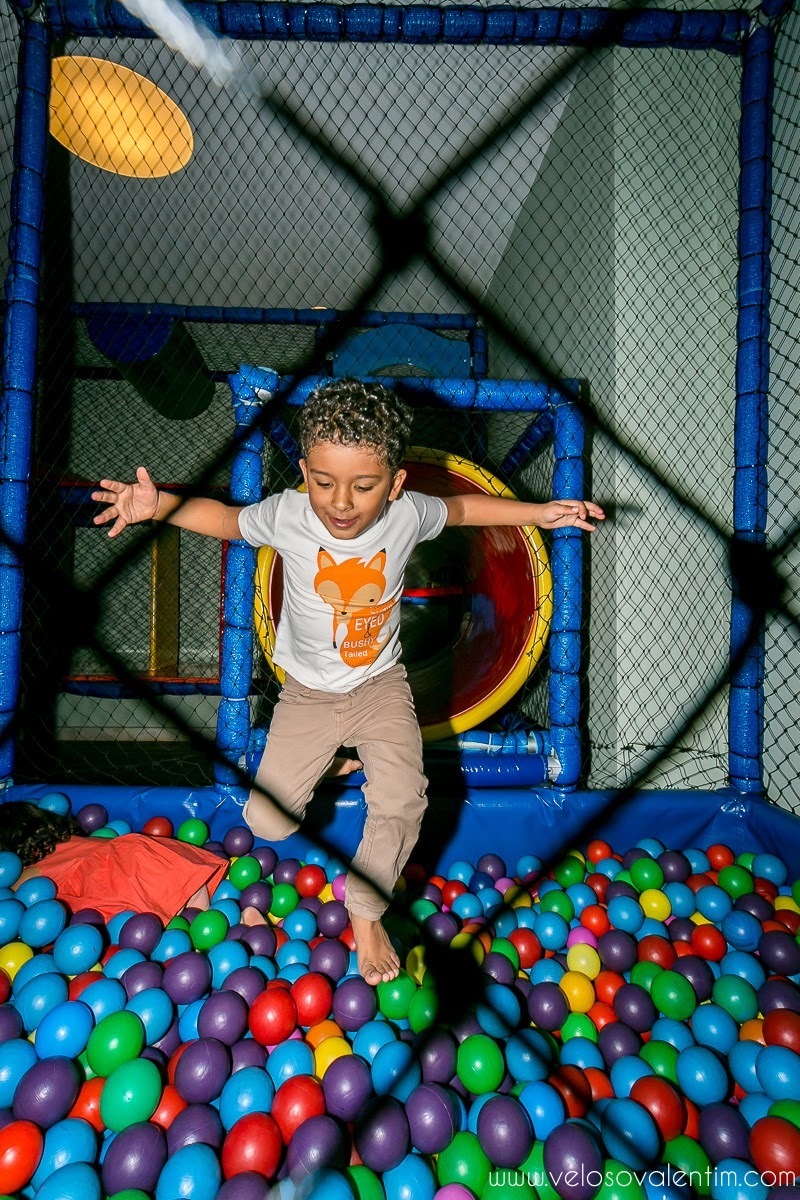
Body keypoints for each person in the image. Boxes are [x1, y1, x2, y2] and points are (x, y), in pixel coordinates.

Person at [92, 379, 605, 983]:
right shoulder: (287, 514)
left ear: (395, 483)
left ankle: (366, 913)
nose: (340, 503)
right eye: (323, 482)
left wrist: (539, 514)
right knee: (268, 822)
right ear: (304, 471)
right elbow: (229, 521)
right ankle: (338, 763)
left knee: (404, 796)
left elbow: (465, 510)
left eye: (363, 487)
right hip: (307, 694)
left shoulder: (408, 515)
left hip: (381, 686)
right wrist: (160, 507)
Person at [1, 800, 234, 923]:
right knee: (194, 917)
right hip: (152, 858)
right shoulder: (67, 840)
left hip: (124, 883)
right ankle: (229, 918)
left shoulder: (27, 870)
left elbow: (11, 889)